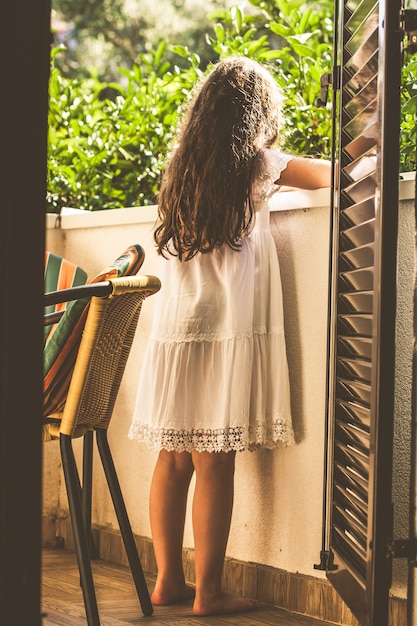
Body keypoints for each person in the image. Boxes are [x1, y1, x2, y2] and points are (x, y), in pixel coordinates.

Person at [129, 56, 331, 616]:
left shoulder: (183, 169)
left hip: (177, 326)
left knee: (173, 459)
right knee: (215, 459)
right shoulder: (257, 164)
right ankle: (209, 591)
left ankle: (169, 581)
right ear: (255, 117)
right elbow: (335, 176)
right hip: (223, 329)